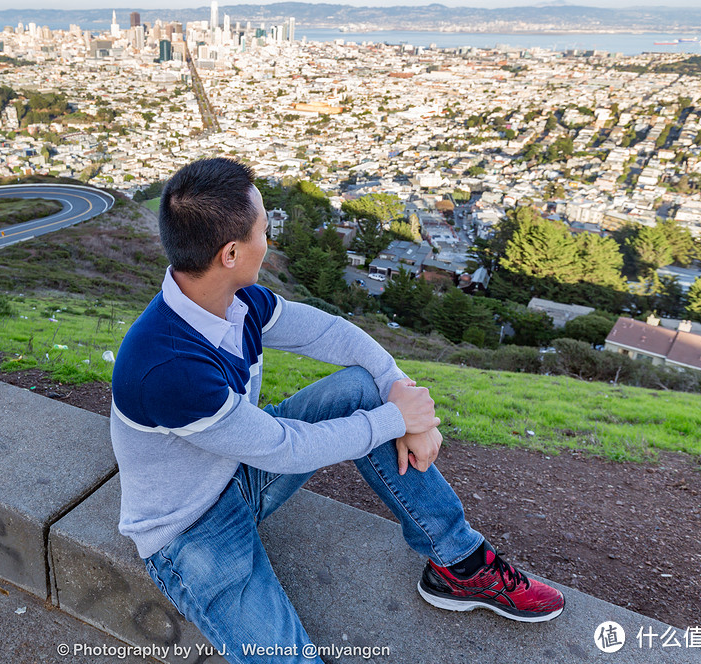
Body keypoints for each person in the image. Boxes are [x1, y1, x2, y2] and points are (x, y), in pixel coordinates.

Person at [110, 158, 563, 663]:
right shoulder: (168, 366)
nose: (271, 239)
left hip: (238, 471)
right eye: (265, 229)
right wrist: (398, 419)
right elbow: (285, 448)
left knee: (363, 384)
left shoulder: (234, 301)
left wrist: (399, 392)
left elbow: (333, 334)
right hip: (190, 529)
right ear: (232, 252)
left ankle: (458, 561)